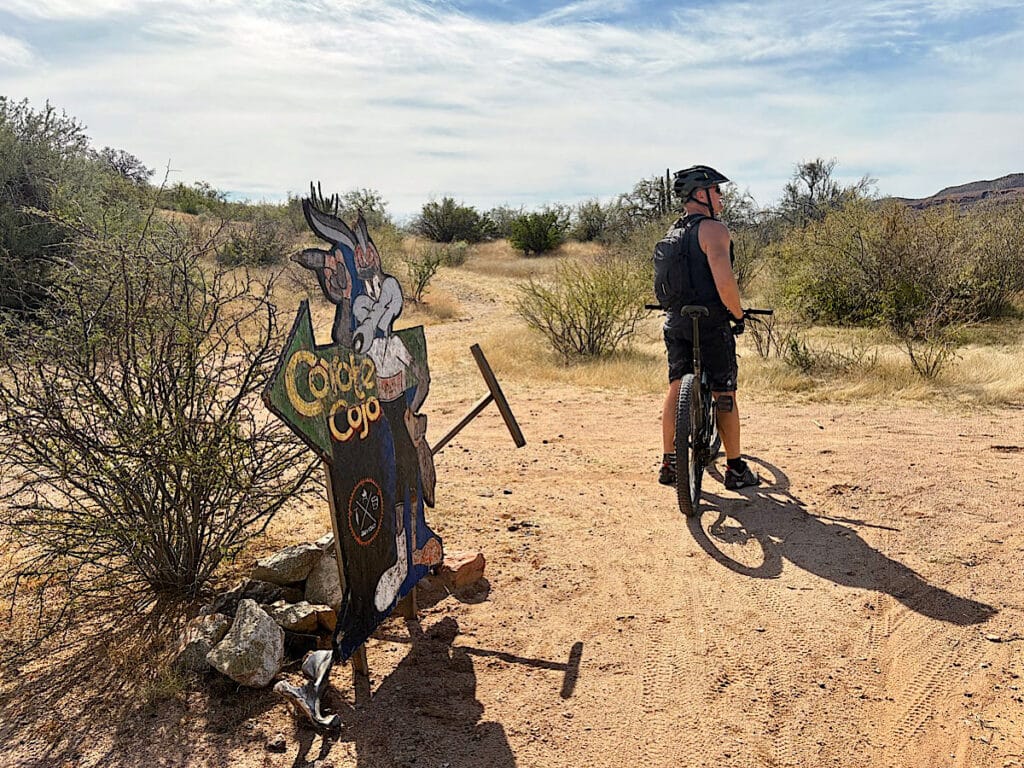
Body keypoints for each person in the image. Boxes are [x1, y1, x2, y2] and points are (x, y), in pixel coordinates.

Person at [656, 165, 760, 490]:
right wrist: (738, 314)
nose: (721, 196)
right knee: (724, 391)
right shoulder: (714, 230)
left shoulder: (671, 235)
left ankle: (670, 462)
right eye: (716, 190)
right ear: (701, 196)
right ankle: (735, 468)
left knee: (676, 385)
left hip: (676, 321)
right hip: (711, 323)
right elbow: (725, 283)